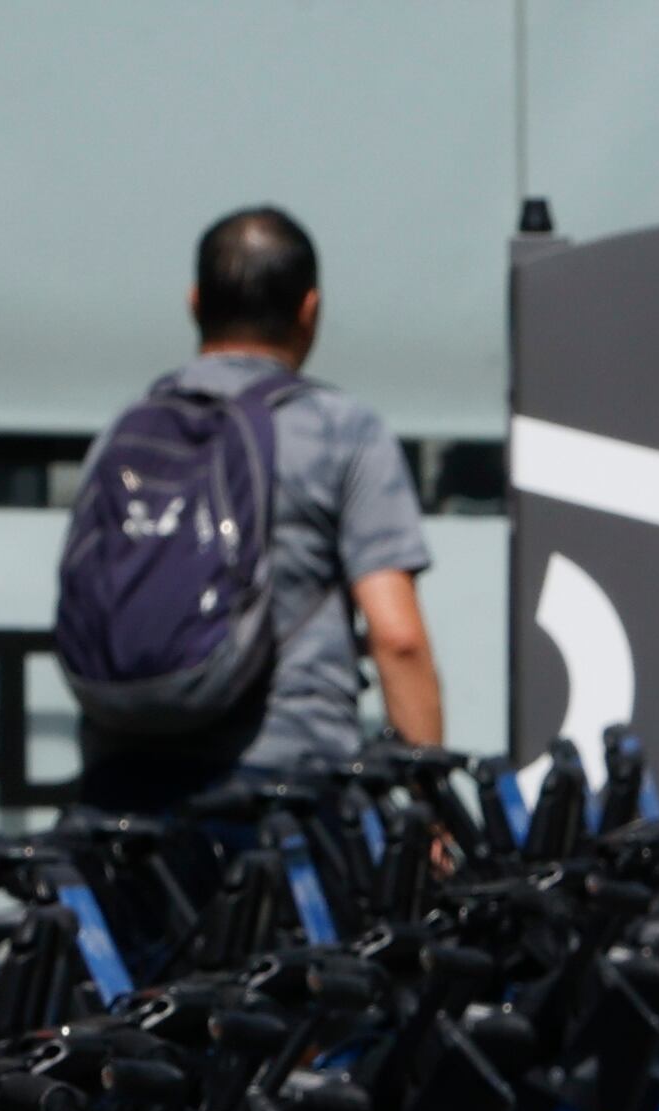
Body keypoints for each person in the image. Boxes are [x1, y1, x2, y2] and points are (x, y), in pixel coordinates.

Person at [69, 206, 440, 810]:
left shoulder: (126, 431)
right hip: (285, 789)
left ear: (194, 303)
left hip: (124, 790)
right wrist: (430, 809)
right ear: (310, 311)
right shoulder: (341, 431)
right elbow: (397, 637)